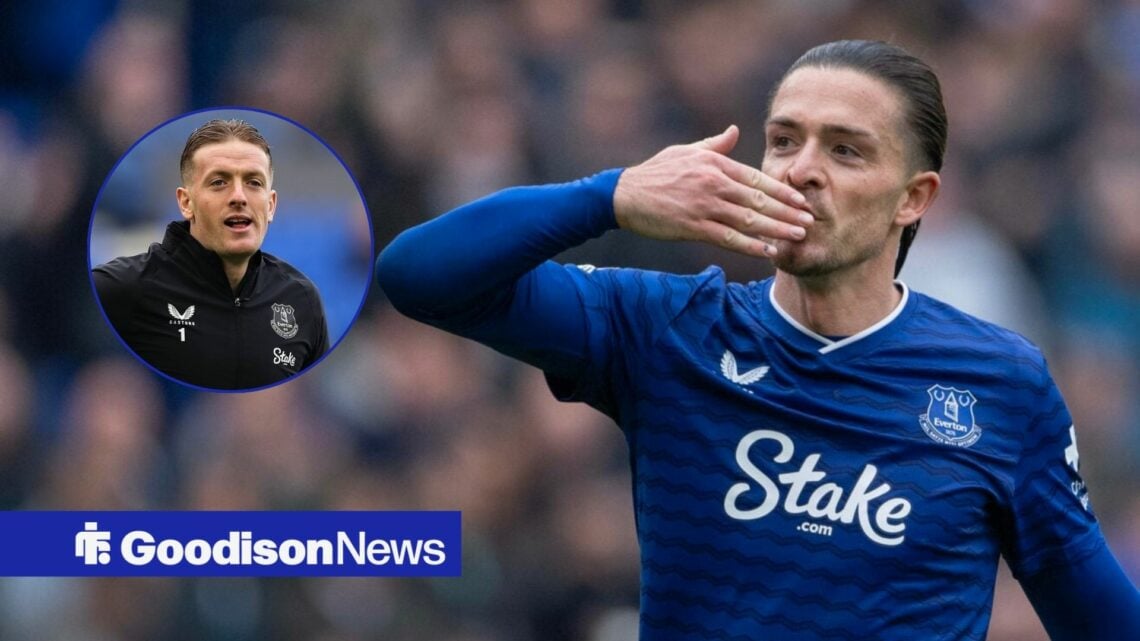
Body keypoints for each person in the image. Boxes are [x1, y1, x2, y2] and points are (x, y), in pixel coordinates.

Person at [376, 40, 1140, 640]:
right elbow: (418, 274)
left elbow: (1100, 618)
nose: (802, 169)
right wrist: (608, 195)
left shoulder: (997, 383)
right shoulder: (665, 328)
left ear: (914, 197)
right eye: (784, 141)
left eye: (845, 150)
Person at [93, 119, 328, 390]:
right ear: (186, 202)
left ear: (271, 204)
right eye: (219, 183)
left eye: (253, 183)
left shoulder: (303, 298)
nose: (238, 197)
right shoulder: (125, 284)